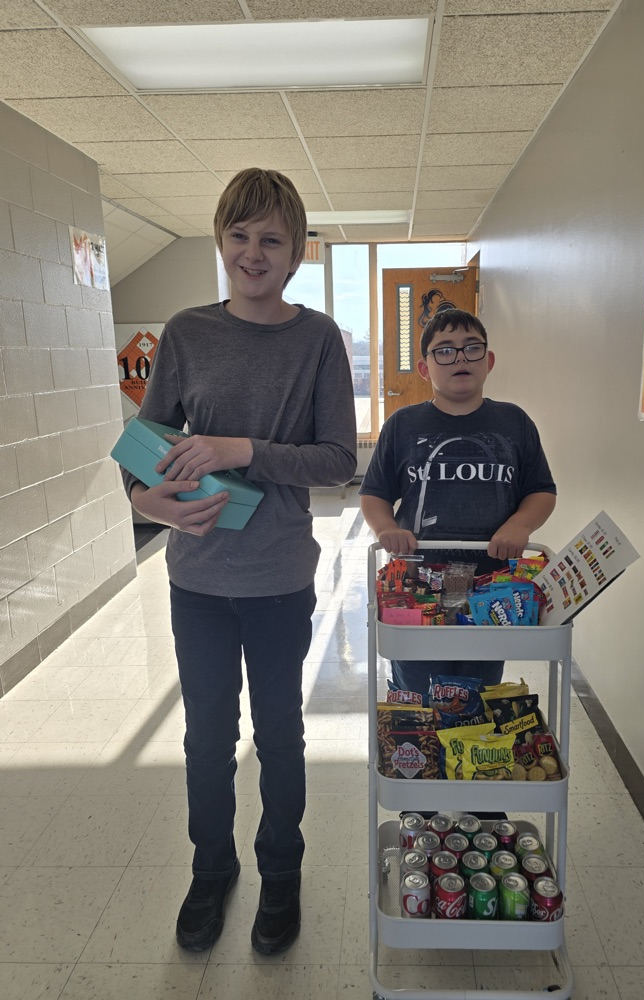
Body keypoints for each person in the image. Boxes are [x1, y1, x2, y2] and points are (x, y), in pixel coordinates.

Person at [118, 168, 356, 956]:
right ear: (222, 241)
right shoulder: (187, 332)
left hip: (279, 578)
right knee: (206, 736)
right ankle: (211, 870)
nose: (253, 253)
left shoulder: (318, 339)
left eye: (271, 239)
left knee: (280, 732)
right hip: (197, 579)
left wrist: (240, 449)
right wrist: (153, 506)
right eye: (240, 235)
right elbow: (143, 453)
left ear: (295, 254)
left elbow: (335, 462)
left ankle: (280, 871)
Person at [359, 308, 556, 702]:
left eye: (471, 348)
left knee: (479, 692)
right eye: (444, 351)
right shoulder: (403, 425)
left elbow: (541, 491)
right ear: (424, 367)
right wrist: (386, 530)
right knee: (417, 690)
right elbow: (374, 494)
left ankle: (469, 758)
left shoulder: (514, 423)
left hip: (491, 589)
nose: (460, 358)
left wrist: (521, 525)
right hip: (416, 586)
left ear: (489, 361)